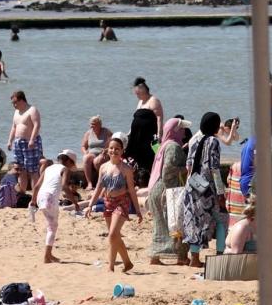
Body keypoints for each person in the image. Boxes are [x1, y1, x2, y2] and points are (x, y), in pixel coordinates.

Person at [89, 137, 141, 272]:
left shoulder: (126, 169)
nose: (114, 151)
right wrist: (90, 205)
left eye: (117, 148)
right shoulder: (103, 167)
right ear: (107, 150)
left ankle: (111, 266)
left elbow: (131, 190)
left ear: (122, 150)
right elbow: (98, 188)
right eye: (111, 148)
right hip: (108, 203)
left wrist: (138, 211)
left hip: (122, 202)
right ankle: (122, 264)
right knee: (115, 236)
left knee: (112, 234)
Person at [182, 112, 227, 267]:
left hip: (192, 185)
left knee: (194, 222)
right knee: (222, 219)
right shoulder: (213, 141)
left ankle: (194, 258)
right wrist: (221, 193)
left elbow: (188, 166)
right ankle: (220, 256)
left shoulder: (194, 140)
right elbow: (215, 169)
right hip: (206, 188)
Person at [147, 118, 189, 266]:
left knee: (160, 225)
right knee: (177, 224)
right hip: (166, 190)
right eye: (181, 128)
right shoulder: (173, 146)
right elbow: (168, 171)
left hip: (155, 189)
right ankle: (182, 258)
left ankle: (155, 257)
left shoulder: (164, 145)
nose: (184, 130)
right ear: (175, 131)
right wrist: (186, 169)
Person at [34, 150, 75, 264]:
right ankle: (47, 256)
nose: (72, 167)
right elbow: (65, 187)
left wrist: (33, 201)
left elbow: (37, 186)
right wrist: (75, 203)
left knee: (50, 226)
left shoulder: (48, 168)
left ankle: (49, 254)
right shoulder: (64, 169)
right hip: (50, 198)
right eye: (72, 164)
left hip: (40, 197)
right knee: (52, 227)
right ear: (67, 161)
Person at [7, 90, 43, 194]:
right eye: (12, 103)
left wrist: (32, 139)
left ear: (22, 100)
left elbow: (37, 125)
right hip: (18, 143)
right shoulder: (16, 112)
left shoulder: (32, 110)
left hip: (30, 142)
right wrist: (10, 141)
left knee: (32, 170)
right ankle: (22, 194)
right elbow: (14, 127)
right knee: (20, 169)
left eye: (15, 102)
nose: (14, 105)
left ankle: (35, 196)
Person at [127, 78, 162, 183]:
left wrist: (159, 136)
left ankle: (151, 180)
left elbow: (159, 119)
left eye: (137, 93)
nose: (137, 95)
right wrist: (129, 133)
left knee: (150, 159)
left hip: (149, 137)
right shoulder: (140, 102)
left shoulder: (154, 100)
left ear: (143, 90)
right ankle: (139, 180)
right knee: (136, 158)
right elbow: (136, 120)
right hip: (137, 137)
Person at [82, 116, 112, 189]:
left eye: (94, 124)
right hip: (92, 153)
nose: (91, 126)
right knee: (86, 158)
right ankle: (89, 183)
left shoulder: (106, 132)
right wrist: (85, 152)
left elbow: (113, 144)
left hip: (103, 153)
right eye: (91, 124)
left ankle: (103, 182)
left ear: (99, 124)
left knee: (97, 161)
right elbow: (83, 146)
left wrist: (107, 150)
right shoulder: (88, 133)